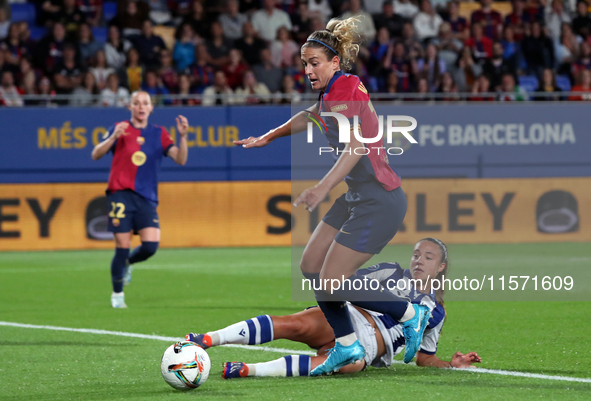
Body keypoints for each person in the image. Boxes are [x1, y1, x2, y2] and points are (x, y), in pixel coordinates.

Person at [233, 17, 431, 377]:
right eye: (305, 64)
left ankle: (408, 313)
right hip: (359, 195)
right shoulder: (331, 92)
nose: (308, 70)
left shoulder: (346, 90)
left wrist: (321, 188)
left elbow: (356, 145)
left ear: (335, 62)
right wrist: (268, 136)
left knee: (331, 281)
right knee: (311, 266)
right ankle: (347, 344)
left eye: (314, 63)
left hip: (380, 199)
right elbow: (308, 116)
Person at [186, 238, 482, 378]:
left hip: (370, 349)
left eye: (428, 257)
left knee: (346, 366)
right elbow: (344, 281)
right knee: (296, 325)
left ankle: (246, 370)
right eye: (416, 254)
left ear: (441, 267)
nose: (418, 260)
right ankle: (209, 338)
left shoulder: (437, 312)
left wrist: (450, 365)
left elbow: (425, 359)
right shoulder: (390, 271)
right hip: (348, 318)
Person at [91, 91, 188, 308]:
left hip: (146, 198)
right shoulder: (120, 128)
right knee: (122, 246)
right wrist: (113, 136)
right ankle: (117, 296)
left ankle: (127, 264)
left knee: (151, 246)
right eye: (137, 103)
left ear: (151, 108)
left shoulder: (159, 133)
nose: (141, 106)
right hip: (120, 194)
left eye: (145, 103)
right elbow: (95, 154)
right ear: (130, 107)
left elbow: (180, 159)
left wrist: (183, 136)